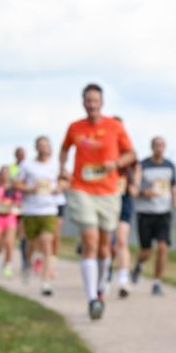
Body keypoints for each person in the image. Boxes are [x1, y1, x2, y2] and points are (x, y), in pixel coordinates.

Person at [59, 83, 135, 319]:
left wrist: (117, 163)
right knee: (90, 241)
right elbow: (64, 149)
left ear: (101, 103)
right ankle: (92, 298)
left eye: (95, 100)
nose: (91, 104)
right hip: (82, 189)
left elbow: (131, 154)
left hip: (108, 191)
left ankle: (101, 287)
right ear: (83, 102)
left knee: (105, 246)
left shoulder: (115, 126)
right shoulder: (75, 127)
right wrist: (62, 169)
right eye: (88, 100)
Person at [132, 136, 176, 296]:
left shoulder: (169, 166)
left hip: (163, 213)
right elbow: (134, 188)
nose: (159, 148)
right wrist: (144, 193)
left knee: (162, 247)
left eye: (162, 145)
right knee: (147, 251)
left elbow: (173, 186)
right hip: (145, 213)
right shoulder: (143, 165)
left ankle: (157, 282)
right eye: (156, 145)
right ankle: (139, 265)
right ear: (152, 147)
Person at [17, 136, 65, 296]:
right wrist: (30, 188)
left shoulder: (56, 165)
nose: (44, 148)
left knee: (46, 243)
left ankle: (45, 283)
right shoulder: (27, 165)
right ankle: (27, 264)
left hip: (49, 209)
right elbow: (16, 183)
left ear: (50, 147)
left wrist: (60, 187)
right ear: (36, 148)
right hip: (31, 210)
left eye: (46, 145)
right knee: (31, 245)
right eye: (41, 145)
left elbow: (66, 180)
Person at [108, 117, 140, 298]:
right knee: (106, 243)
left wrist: (135, 184)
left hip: (124, 198)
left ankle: (123, 279)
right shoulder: (103, 150)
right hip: (104, 198)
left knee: (121, 239)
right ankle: (105, 273)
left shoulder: (129, 151)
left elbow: (137, 167)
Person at [0, 165, 21, 278]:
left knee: (9, 243)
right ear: (0, 175)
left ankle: (8, 266)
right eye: (2, 173)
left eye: (6, 173)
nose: (4, 175)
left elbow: (18, 202)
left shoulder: (13, 188)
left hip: (10, 217)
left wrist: (11, 203)